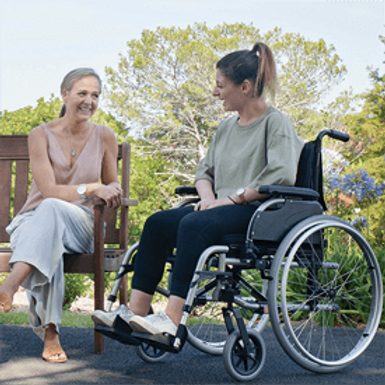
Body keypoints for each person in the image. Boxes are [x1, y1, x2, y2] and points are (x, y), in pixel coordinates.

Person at [92, 42, 304, 337]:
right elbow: (204, 171)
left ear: (244, 87)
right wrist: (208, 198)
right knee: (157, 223)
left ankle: (172, 317)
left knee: (193, 225)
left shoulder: (276, 122)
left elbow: (281, 175)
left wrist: (229, 199)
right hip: (219, 209)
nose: (215, 92)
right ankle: (138, 309)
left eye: (220, 86)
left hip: (257, 212)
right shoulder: (227, 128)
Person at [0, 68, 122, 363]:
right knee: (49, 226)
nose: (89, 101)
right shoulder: (39, 135)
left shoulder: (105, 136)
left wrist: (112, 189)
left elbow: (113, 182)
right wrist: (93, 187)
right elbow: (49, 190)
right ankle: (51, 332)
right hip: (34, 222)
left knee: (52, 214)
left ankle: (11, 283)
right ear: (64, 94)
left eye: (95, 95)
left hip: (84, 224)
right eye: (82, 93)